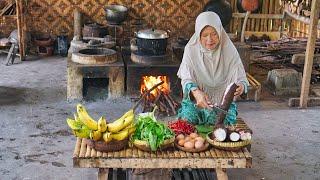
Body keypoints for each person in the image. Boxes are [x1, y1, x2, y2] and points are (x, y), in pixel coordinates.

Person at [177, 12, 248, 125]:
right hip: (197, 102)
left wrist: (241, 86)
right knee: (188, 119)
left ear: (220, 32)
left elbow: (241, 78)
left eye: (214, 34)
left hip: (223, 104)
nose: (209, 39)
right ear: (198, 35)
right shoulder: (191, 50)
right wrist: (197, 93)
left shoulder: (228, 49)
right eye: (205, 35)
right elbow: (186, 78)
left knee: (221, 122)